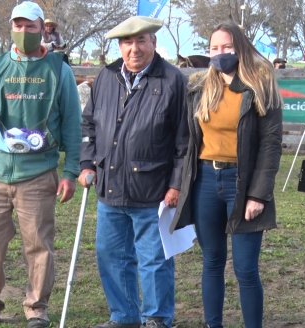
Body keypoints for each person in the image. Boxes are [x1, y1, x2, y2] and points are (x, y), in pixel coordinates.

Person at [0, 2, 81, 327]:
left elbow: (72, 124)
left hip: (38, 173)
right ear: (11, 29)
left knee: (38, 243)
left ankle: (36, 308)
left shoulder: (59, 70)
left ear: (42, 28)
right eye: (18, 25)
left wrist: (70, 171)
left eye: (30, 26)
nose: (24, 32)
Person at [79, 16, 188, 328]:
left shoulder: (172, 80)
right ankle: (124, 316)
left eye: (142, 41)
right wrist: (87, 163)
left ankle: (156, 318)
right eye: (128, 42)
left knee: (154, 260)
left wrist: (176, 184)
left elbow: (184, 140)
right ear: (119, 46)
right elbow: (89, 125)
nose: (135, 48)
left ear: (154, 42)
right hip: (110, 187)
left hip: (153, 190)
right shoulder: (106, 76)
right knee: (111, 256)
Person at [173, 22, 283, 328]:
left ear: (241, 48)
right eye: (214, 49)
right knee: (212, 262)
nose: (220, 54)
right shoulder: (198, 87)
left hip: (243, 183)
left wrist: (258, 194)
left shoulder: (260, 86)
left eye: (227, 47)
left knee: (246, 269)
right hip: (206, 182)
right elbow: (187, 140)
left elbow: (271, 144)